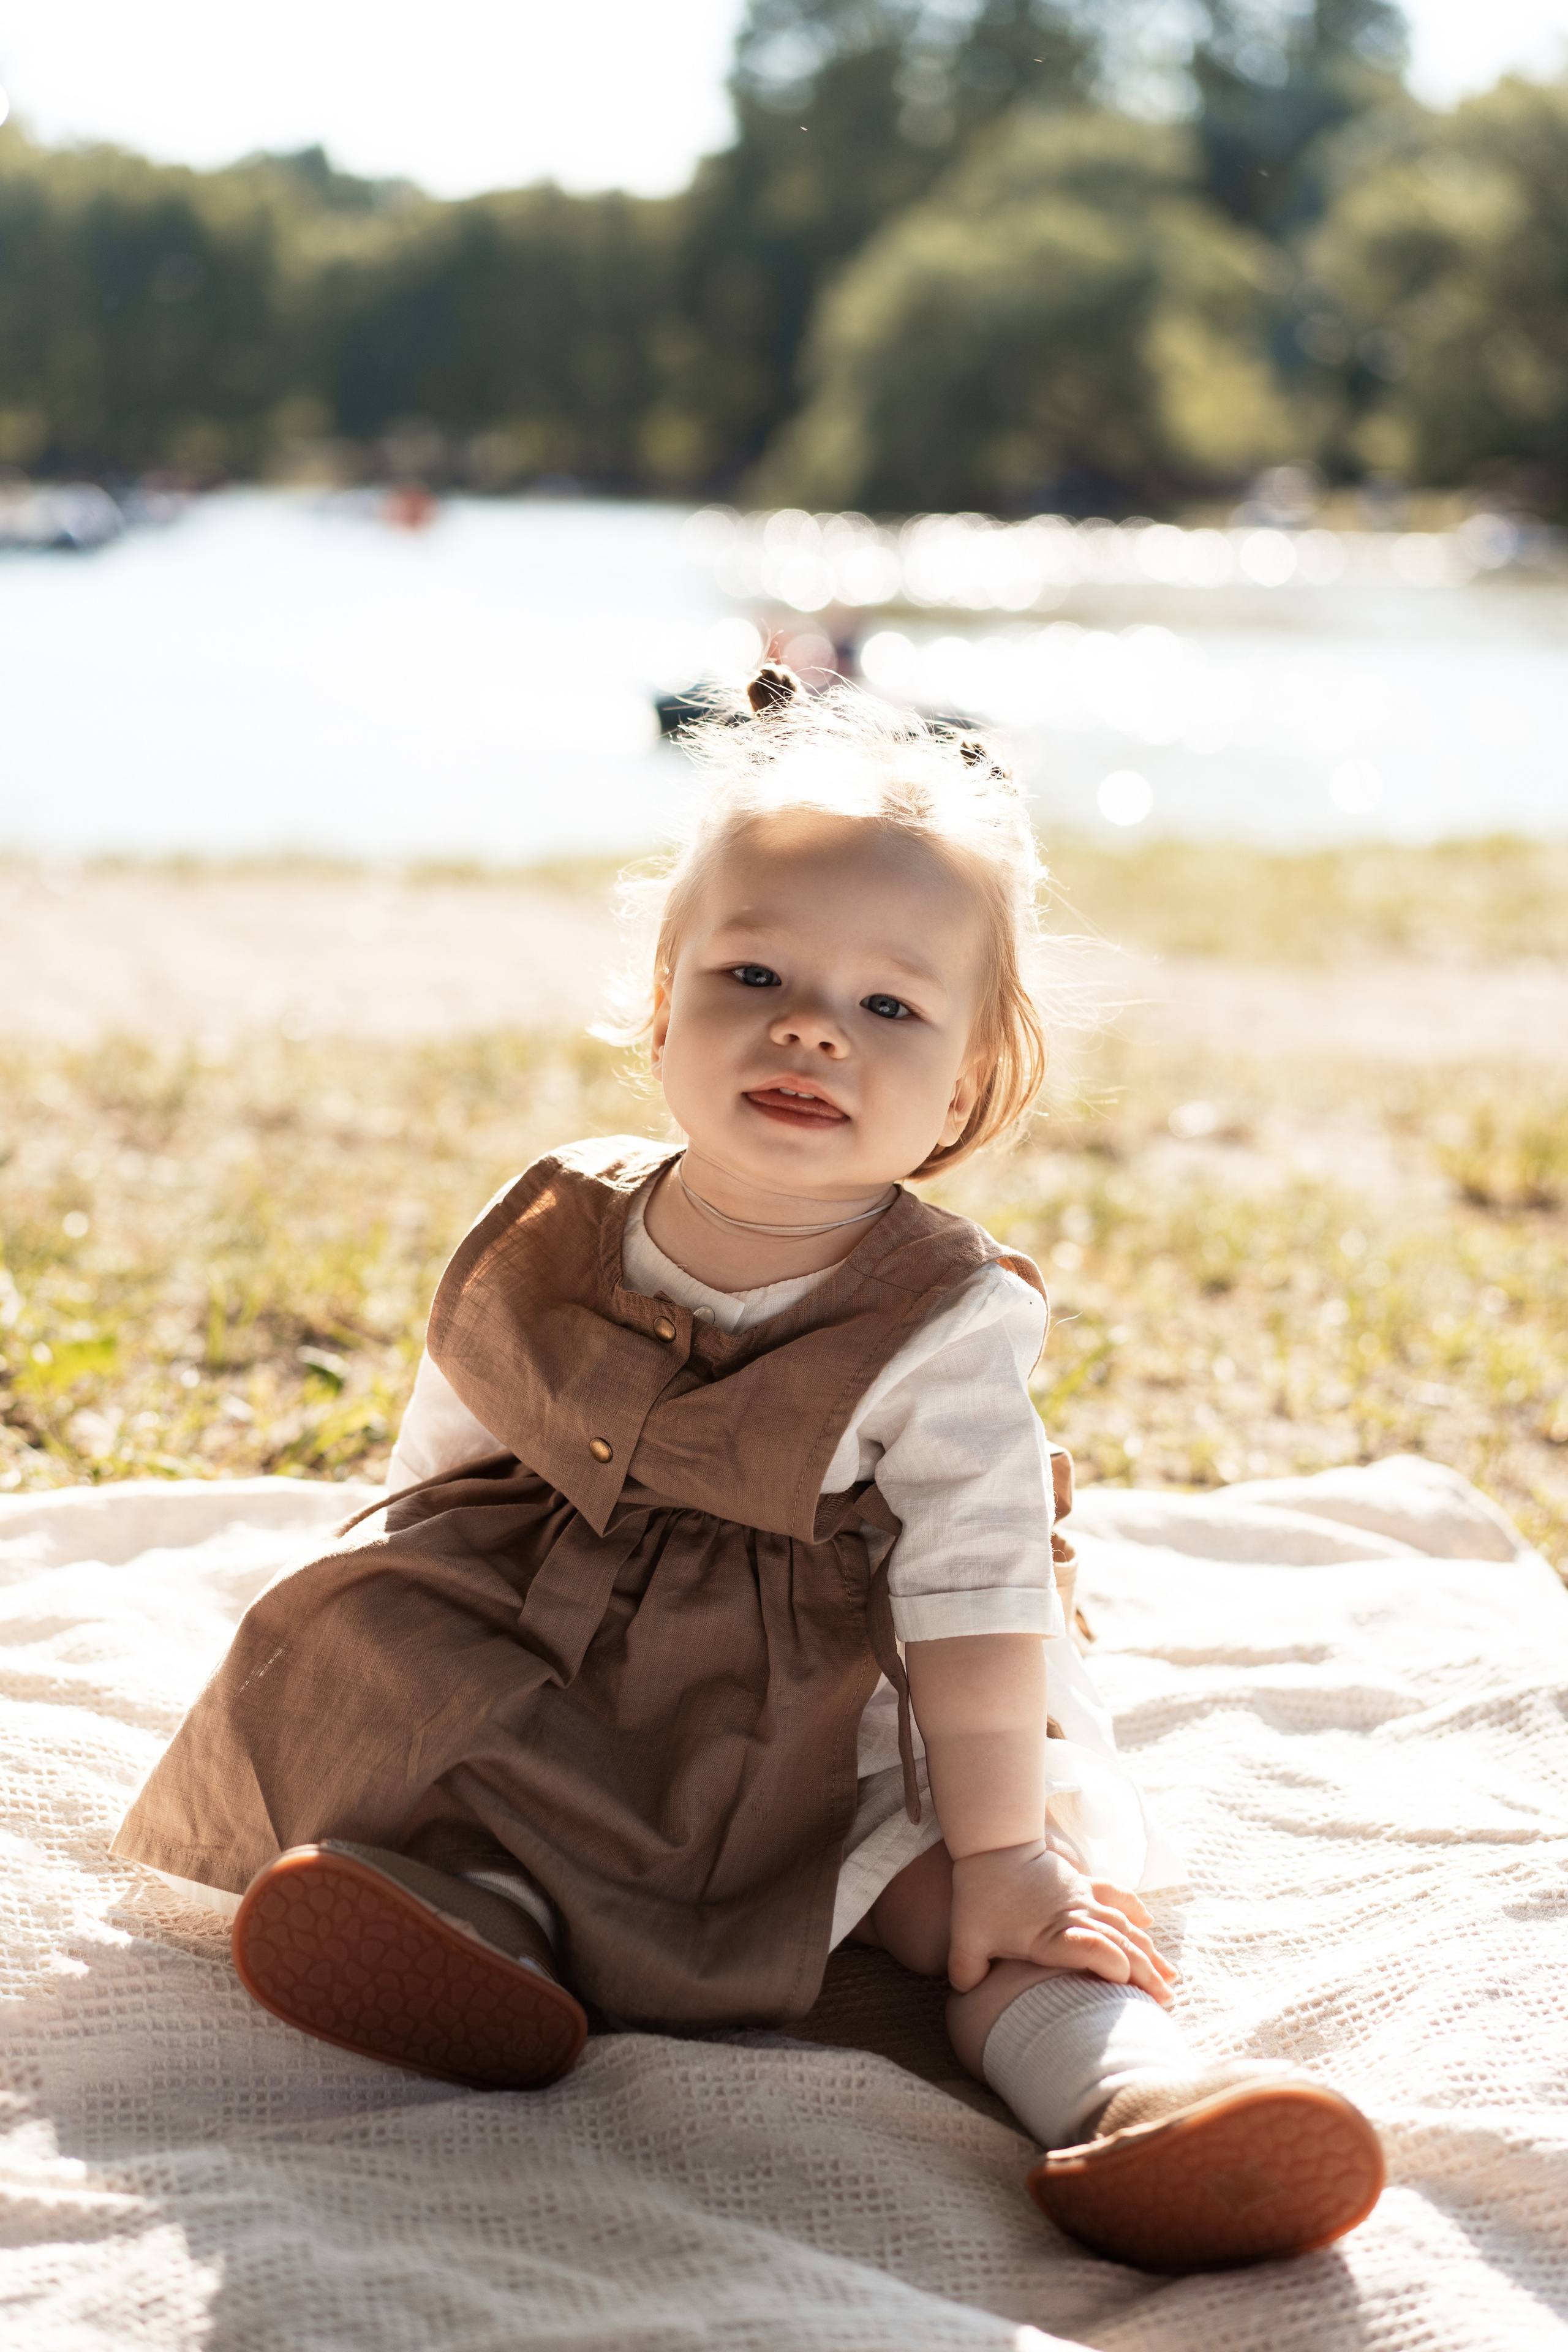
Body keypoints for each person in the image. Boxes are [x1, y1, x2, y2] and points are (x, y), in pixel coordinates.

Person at [113, 666, 1382, 2274]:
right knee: (449, 1738)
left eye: (888, 1008)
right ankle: (483, 1934)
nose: (808, 1028)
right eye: (755, 972)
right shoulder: (562, 1221)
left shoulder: (942, 1317)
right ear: (662, 1011)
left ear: (966, 1090)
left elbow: (976, 1593)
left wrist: (1004, 1844)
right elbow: (457, 1442)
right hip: (576, 1645)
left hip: (839, 1689)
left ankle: (1123, 2100)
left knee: (948, 1893)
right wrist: (398, 1607)